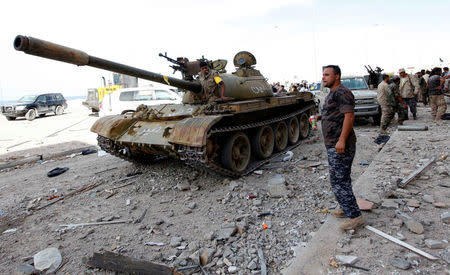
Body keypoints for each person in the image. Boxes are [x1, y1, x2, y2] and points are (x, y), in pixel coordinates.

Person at [315, 65, 365, 231]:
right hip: (333, 144)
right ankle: (346, 207)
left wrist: (342, 140)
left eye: (327, 75)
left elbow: (349, 116)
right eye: (323, 74)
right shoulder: (333, 93)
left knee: (339, 180)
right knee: (341, 179)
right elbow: (337, 113)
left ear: (337, 76)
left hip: (340, 145)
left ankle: (355, 217)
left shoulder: (342, 92)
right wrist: (322, 116)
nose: (323, 77)